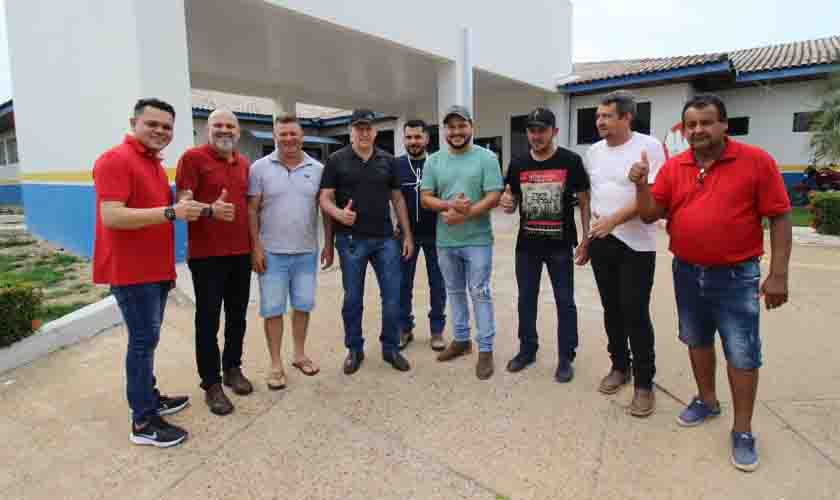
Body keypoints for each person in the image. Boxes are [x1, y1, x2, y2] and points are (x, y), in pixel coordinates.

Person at [631, 94, 792, 472]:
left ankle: (743, 430)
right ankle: (707, 401)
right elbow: (650, 214)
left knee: (742, 352)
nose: (698, 130)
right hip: (687, 272)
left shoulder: (756, 161)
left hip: (736, 276)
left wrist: (779, 274)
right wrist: (640, 185)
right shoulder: (676, 166)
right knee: (696, 339)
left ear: (723, 125)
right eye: (691, 124)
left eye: (706, 122)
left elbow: (780, 217)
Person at [93, 98, 206, 447]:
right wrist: (171, 212)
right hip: (131, 272)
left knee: (148, 340)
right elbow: (112, 215)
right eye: (152, 124)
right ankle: (143, 421)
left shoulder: (154, 164)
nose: (160, 131)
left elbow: (165, 211)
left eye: (166, 127)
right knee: (142, 342)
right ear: (134, 123)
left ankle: (149, 397)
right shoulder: (114, 160)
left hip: (154, 270)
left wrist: (198, 209)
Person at [583, 90, 666, 417]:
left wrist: (613, 221)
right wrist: (589, 236)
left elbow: (654, 195)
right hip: (601, 241)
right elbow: (594, 196)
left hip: (636, 245)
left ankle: (644, 384)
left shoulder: (649, 147)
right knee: (611, 309)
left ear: (627, 117)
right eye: (598, 116)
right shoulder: (593, 152)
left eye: (607, 116)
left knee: (635, 312)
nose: (600, 121)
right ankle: (620, 366)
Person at [319, 109, 414, 375]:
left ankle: (390, 348)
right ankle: (354, 349)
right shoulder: (336, 160)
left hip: (385, 240)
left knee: (393, 296)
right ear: (350, 131)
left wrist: (407, 235)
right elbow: (324, 198)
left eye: (367, 128)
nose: (363, 133)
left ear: (374, 132)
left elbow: (397, 199)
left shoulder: (388, 160)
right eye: (358, 128)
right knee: (352, 299)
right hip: (351, 241)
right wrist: (339, 214)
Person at [500, 107, 591, 382]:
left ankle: (566, 356)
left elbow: (584, 201)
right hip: (527, 247)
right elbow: (511, 202)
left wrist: (586, 239)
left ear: (555, 131)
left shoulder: (570, 161)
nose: (536, 136)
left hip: (560, 246)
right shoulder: (518, 164)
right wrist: (507, 204)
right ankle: (527, 349)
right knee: (526, 300)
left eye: (542, 130)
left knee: (565, 301)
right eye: (532, 130)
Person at [175, 109, 253, 416]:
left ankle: (233, 368)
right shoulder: (192, 159)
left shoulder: (244, 163)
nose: (224, 130)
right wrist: (210, 209)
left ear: (238, 131)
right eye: (217, 125)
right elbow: (183, 203)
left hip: (240, 253)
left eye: (230, 126)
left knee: (238, 316)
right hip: (207, 256)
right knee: (208, 320)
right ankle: (211, 383)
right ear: (207, 130)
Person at [249, 113, 333, 389]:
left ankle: (299, 354)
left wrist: (328, 243)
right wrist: (255, 247)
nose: (288, 139)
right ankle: (275, 364)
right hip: (271, 253)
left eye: (293, 133)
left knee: (302, 306)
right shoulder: (259, 169)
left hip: (306, 252)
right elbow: (252, 210)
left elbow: (325, 209)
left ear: (302, 136)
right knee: (273, 310)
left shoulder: (317, 169)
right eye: (282, 134)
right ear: (275, 137)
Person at [420, 105, 504, 380]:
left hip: (478, 240)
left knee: (479, 292)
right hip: (445, 241)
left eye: (461, 126)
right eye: (451, 127)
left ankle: (486, 349)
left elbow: (493, 196)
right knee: (454, 291)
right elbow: (426, 197)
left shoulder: (486, 158)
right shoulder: (434, 161)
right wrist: (449, 206)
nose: (456, 132)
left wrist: (466, 214)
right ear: (445, 130)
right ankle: (461, 340)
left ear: (471, 127)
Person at [396, 119, 447, 352]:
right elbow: (390, 197)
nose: (413, 141)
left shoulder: (438, 162)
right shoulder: (396, 165)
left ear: (427, 138)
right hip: (406, 236)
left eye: (418, 137)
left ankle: (437, 330)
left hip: (437, 234)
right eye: (409, 137)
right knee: (402, 284)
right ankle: (404, 328)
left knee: (438, 283)